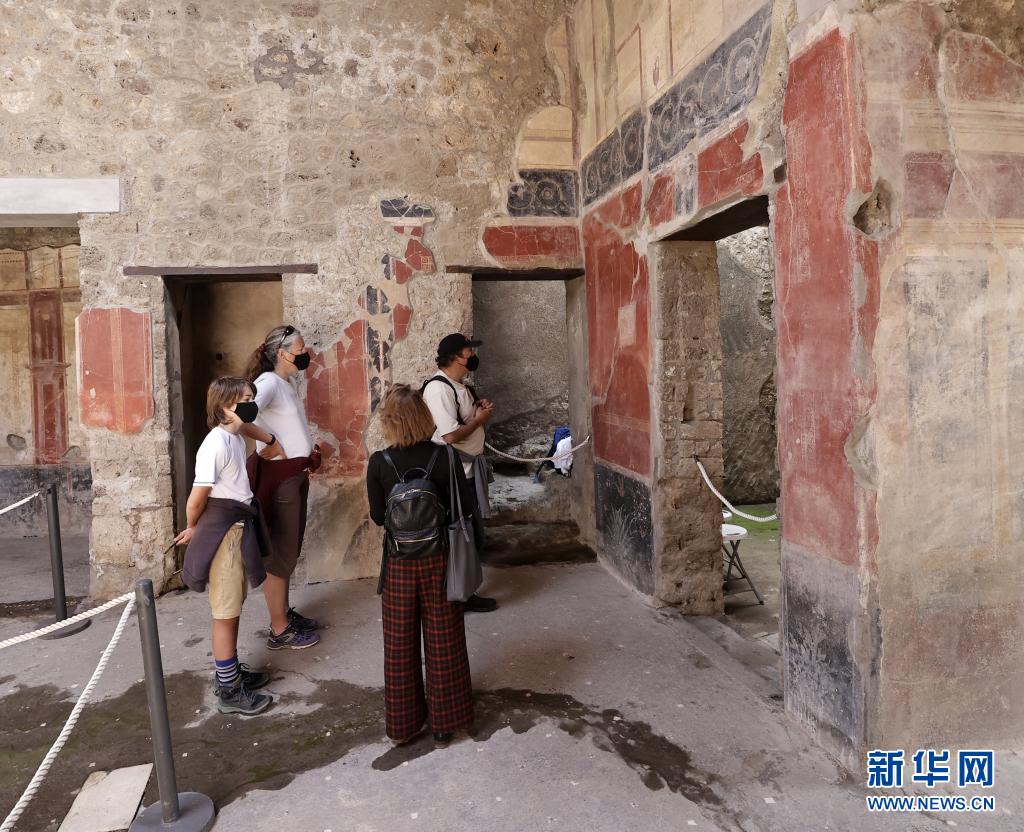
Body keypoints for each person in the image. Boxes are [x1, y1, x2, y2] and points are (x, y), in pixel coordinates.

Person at [366, 385, 475, 748]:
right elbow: (464, 508)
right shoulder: (445, 457)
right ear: (424, 418)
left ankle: (403, 727)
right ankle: (445, 725)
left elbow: (379, 516)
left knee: (399, 644)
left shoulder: (379, 462)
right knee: (445, 639)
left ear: (390, 422)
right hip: (440, 558)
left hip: (399, 561)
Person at [177, 377, 274, 715]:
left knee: (233, 608)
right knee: (225, 613)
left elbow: (250, 429)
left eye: (251, 397)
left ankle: (230, 672)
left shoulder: (234, 435)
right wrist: (193, 527)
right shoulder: (215, 444)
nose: (251, 403)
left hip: (236, 528)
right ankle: (229, 689)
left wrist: (270, 440)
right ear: (224, 406)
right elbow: (196, 500)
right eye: (244, 399)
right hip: (224, 535)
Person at [242, 324, 322, 650]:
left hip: (294, 475)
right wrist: (270, 442)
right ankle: (279, 629)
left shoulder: (284, 384)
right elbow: (241, 416)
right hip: (280, 478)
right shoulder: (268, 383)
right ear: (282, 353)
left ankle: (284, 614)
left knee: (288, 551)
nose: (305, 354)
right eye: (300, 350)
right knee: (280, 555)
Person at [421, 333, 498, 613]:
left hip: (467, 471)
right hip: (455, 475)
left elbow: (463, 421)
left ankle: (464, 591)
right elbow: (450, 436)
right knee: (460, 534)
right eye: (469, 352)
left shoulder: (459, 386)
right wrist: (479, 420)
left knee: (469, 533)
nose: (473, 356)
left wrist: (477, 410)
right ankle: (458, 596)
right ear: (455, 357)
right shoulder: (438, 389)